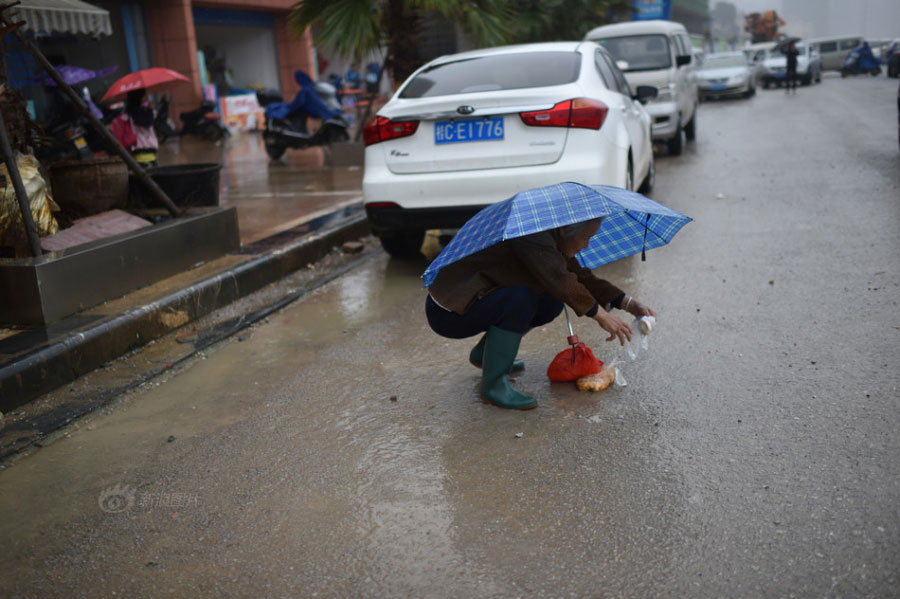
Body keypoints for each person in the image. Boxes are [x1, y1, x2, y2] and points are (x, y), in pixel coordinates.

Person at [425, 219, 655, 411]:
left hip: (480, 300)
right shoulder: (531, 235)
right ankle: (494, 385)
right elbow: (559, 279)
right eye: (586, 237)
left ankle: (486, 354)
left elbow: (580, 277)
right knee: (520, 300)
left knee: (550, 302)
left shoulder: (552, 238)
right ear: (566, 230)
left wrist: (629, 303)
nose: (586, 245)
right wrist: (601, 316)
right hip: (449, 312)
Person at [110, 88, 158, 166]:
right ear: (139, 97)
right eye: (144, 95)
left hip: (137, 150)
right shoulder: (138, 112)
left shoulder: (129, 111)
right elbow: (148, 123)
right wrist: (150, 110)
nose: (146, 97)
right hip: (145, 148)